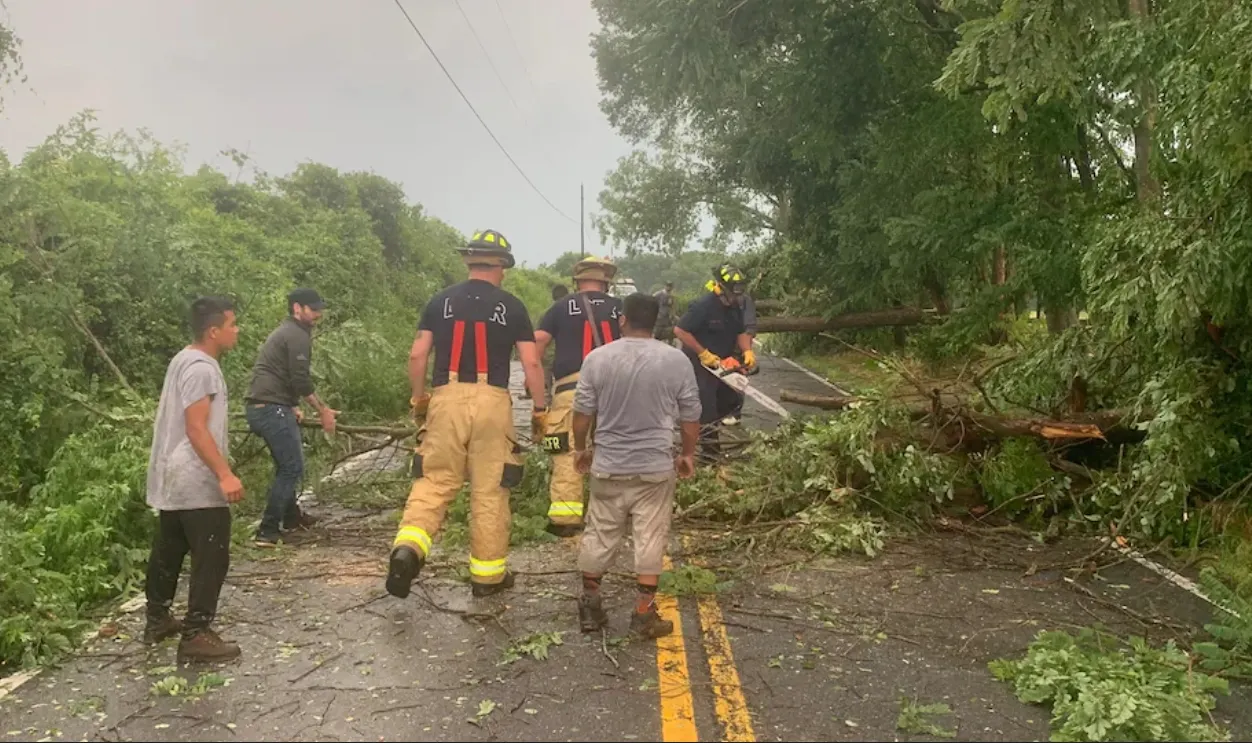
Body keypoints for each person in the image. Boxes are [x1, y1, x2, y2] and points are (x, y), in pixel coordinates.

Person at [386, 229, 547, 599]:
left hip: (445, 397)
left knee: (434, 481)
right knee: (490, 488)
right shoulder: (513, 306)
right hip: (492, 400)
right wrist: (540, 409)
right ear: (502, 265)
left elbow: (417, 355)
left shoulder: (439, 301)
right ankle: (488, 578)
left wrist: (419, 398)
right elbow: (532, 362)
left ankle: (408, 549)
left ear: (468, 261)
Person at [572, 292, 701, 638]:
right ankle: (643, 615)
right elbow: (691, 415)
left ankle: (591, 606)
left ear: (623, 320)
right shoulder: (675, 360)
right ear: (656, 322)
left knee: (599, 532)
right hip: (654, 468)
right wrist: (687, 455)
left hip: (608, 466)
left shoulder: (597, 359)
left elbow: (583, 412)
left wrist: (580, 449)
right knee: (650, 537)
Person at [143, 296, 244, 662]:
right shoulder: (203, 368)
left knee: (168, 550)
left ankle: (157, 619)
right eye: (232, 325)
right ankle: (196, 634)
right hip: (196, 479)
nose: (237, 331)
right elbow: (197, 427)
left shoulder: (182, 359)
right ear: (214, 331)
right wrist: (224, 473)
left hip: (172, 477)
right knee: (212, 555)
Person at [534, 256, 623, 537]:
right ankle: (615, 514)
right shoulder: (620, 308)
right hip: (616, 388)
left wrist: (535, 382)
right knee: (615, 447)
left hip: (571, 388)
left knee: (565, 448)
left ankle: (566, 517)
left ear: (576, 280)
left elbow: (537, 343)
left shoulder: (559, 308)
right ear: (606, 281)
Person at [244, 288, 338, 547]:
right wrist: (323, 411)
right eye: (313, 309)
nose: (318, 314)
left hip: (270, 406)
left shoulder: (289, 332)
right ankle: (267, 531)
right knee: (291, 467)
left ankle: (291, 516)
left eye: (320, 309)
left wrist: (292, 404)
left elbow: (282, 375)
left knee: (286, 465)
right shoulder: (296, 335)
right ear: (298, 308)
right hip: (270, 410)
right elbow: (300, 380)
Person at [673, 265, 757, 456]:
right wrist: (703, 353)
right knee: (707, 405)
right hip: (700, 365)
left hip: (723, 363)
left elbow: (741, 331)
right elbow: (680, 331)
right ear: (721, 287)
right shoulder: (704, 306)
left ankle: (711, 433)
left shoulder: (735, 307)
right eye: (732, 294)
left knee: (730, 399)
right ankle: (710, 453)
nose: (735, 299)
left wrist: (747, 352)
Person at [723, 291, 758, 426]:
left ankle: (735, 413)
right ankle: (722, 411)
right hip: (722, 345)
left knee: (737, 380)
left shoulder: (745, 300)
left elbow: (750, 326)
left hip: (738, 347)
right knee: (721, 379)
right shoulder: (720, 299)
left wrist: (747, 349)